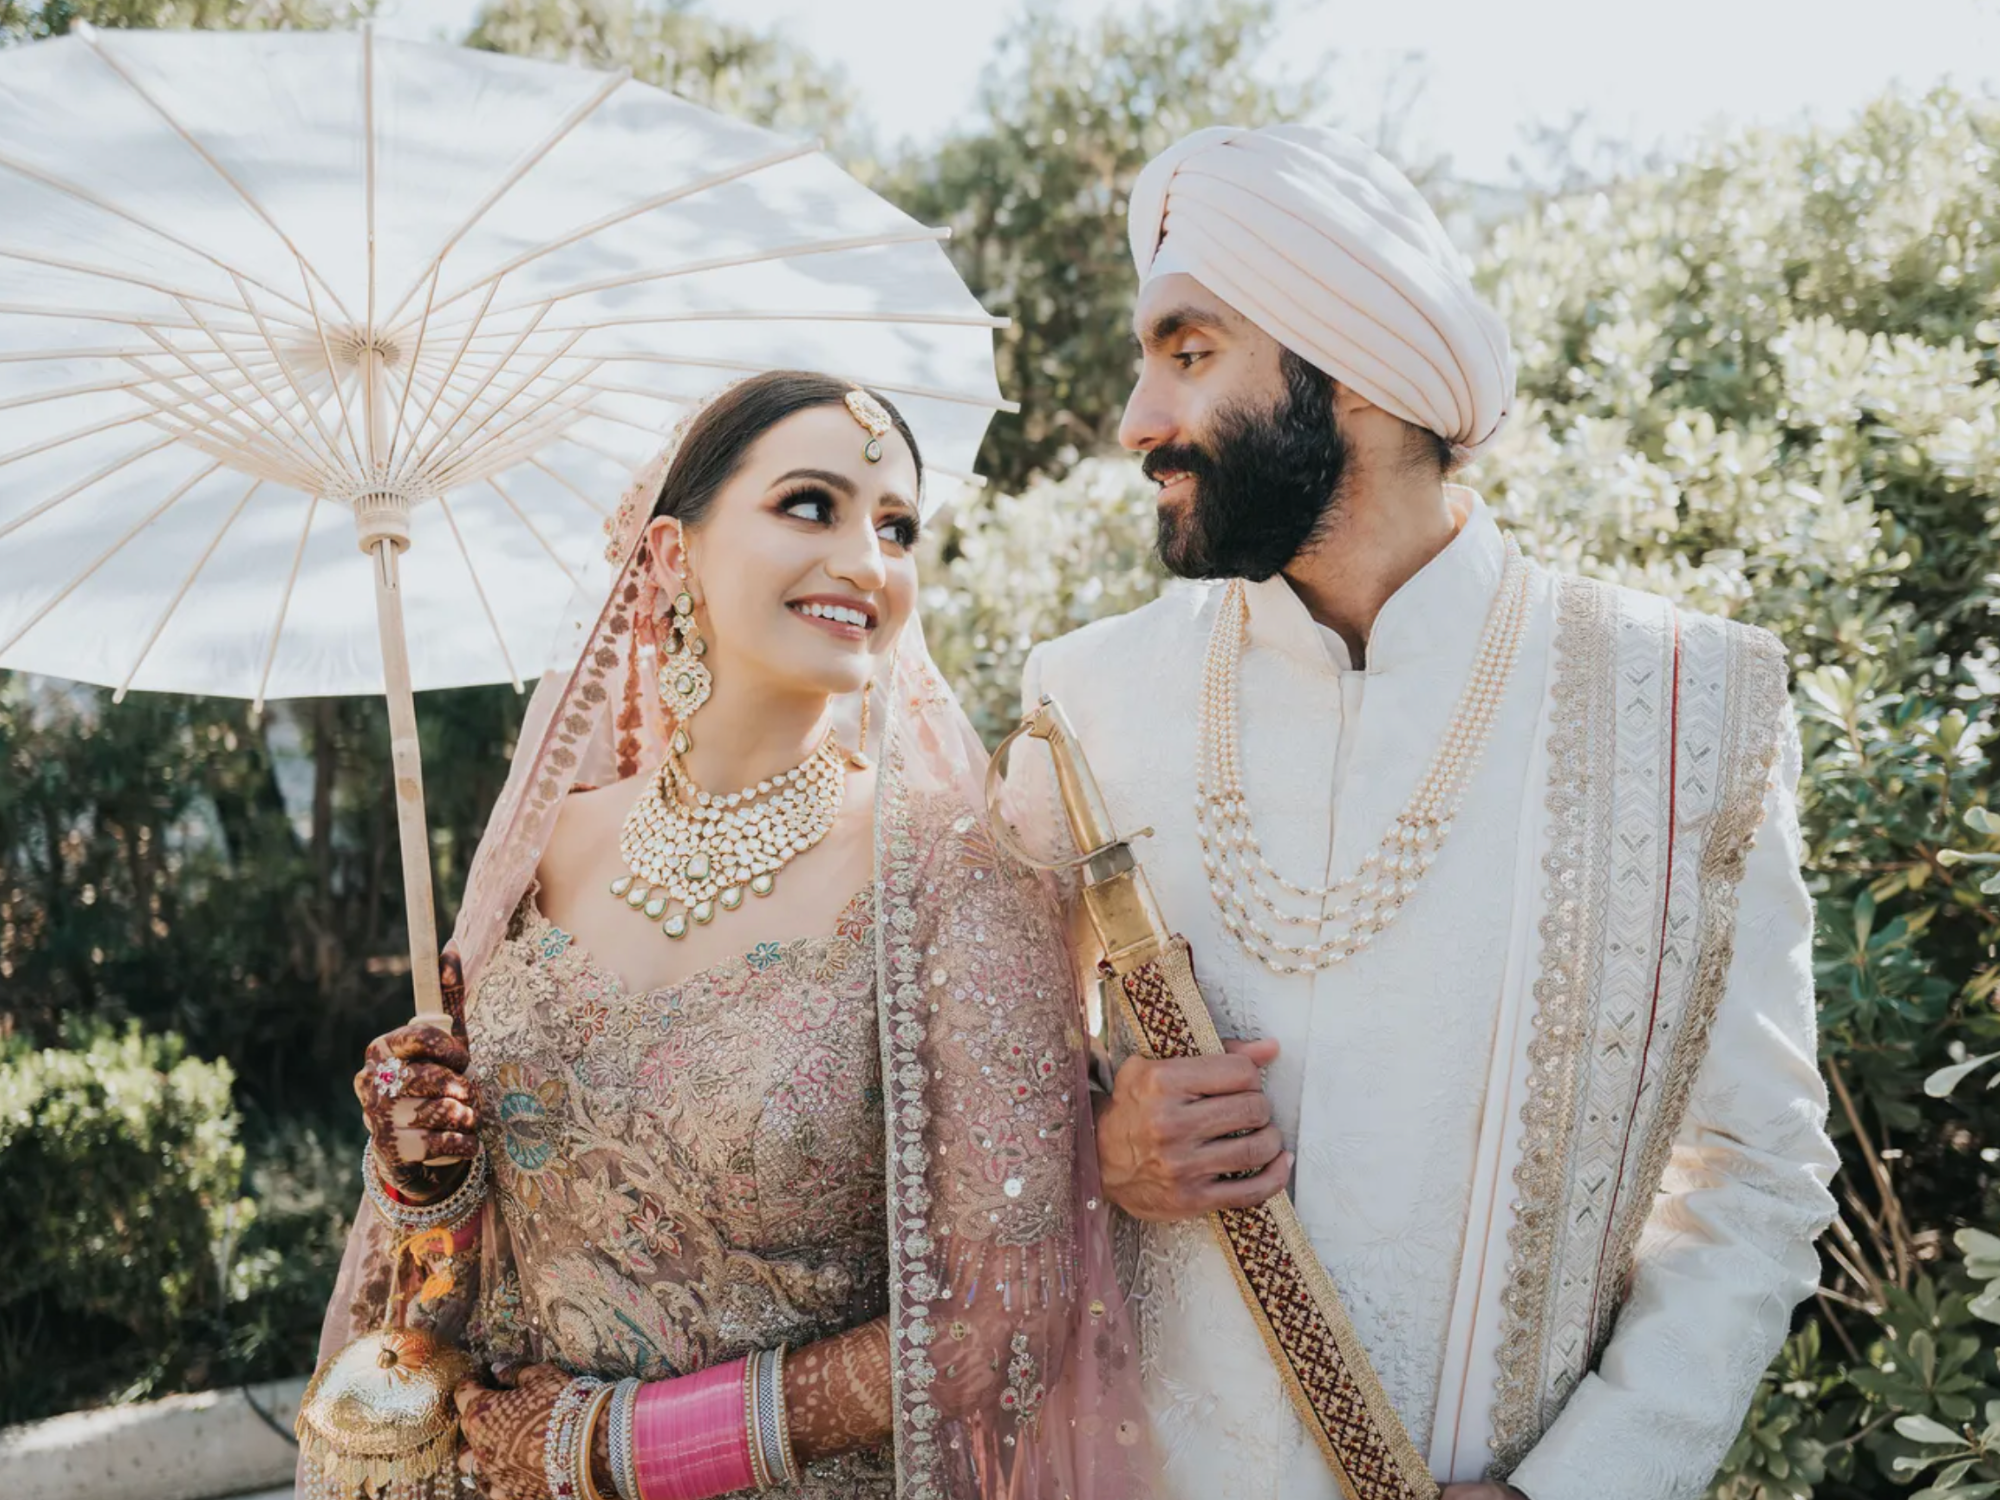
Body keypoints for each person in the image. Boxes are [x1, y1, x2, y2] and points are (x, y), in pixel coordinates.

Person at [1010, 125, 1840, 1500]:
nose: (1136, 420)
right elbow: (971, 1108)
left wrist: (1577, 1488)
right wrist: (1102, 1149)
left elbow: (1752, 1180)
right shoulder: (1084, 703)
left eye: (1191, 352)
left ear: (1360, 373)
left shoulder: (1692, 708)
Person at [312, 372, 1154, 1500]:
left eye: (895, 526)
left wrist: (612, 1446)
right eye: (811, 504)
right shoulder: (541, 853)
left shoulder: (956, 871)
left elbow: (997, 1326)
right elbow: (462, 1290)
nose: (867, 559)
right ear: (671, 558)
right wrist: (432, 1179)